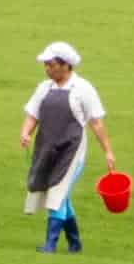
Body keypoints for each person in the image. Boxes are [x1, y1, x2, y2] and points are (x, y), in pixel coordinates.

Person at [19, 40, 115, 253]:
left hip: (72, 151)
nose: (47, 69)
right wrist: (25, 132)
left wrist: (107, 151)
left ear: (65, 65)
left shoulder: (83, 89)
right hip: (47, 149)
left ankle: (50, 243)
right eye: (46, 65)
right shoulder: (44, 88)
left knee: (58, 193)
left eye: (51, 64)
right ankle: (74, 242)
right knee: (60, 194)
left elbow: (96, 122)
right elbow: (32, 114)